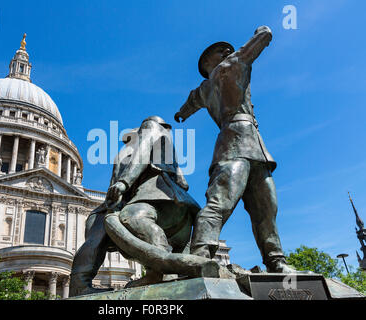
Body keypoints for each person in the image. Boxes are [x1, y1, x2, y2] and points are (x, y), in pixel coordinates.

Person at [174, 26, 295, 273]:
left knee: (263, 205)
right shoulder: (233, 65)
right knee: (234, 203)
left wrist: (181, 114)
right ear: (207, 61)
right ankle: (201, 255)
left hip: (251, 146)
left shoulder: (202, 90)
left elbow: (189, 104)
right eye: (221, 51)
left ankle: (275, 260)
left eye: (228, 50)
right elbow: (258, 43)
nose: (227, 51)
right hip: (236, 142)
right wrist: (263, 32)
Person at [69, 116, 201, 297]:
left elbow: (116, 187)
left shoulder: (146, 134)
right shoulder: (167, 146)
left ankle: (80, 283)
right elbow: (183, 182)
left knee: (98, 226)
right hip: (180, 206)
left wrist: (125, 183)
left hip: (154, 198)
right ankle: (169, 272)